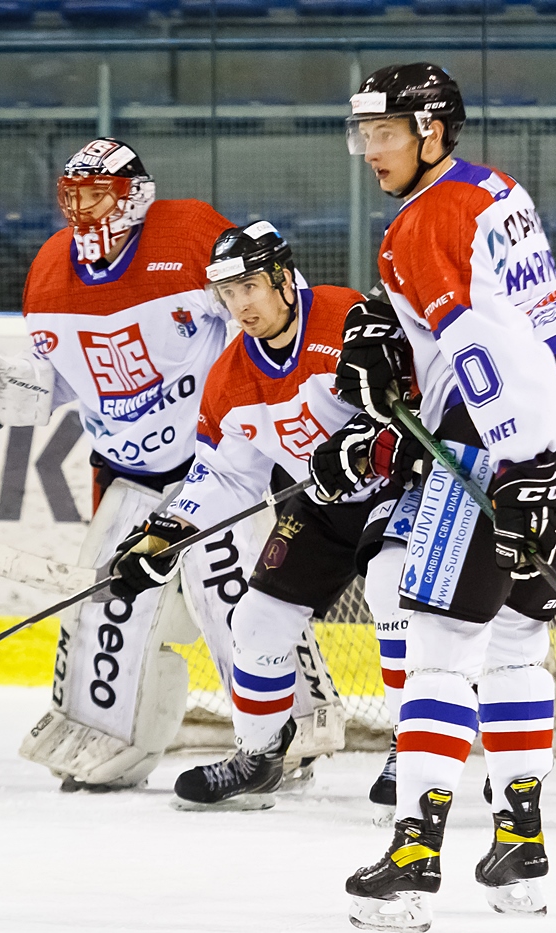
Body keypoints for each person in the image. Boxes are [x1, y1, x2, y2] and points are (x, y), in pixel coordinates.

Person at [0, 138, 344, 793]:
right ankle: (112, 741)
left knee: (233, 599)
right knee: (105, 608)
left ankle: (285, 734)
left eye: (100, 195)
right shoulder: (49, 272)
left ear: (136, 195)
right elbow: (58, 383)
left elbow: (265, 325)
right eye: (76, 196)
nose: (86, 210)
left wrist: (267, 425)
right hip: (130, 475)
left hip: (218, 465)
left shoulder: (190, 233)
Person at [332, 63, 556, 925]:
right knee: (514, 634)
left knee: (437, 639)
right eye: (365, 135)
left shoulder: (417, 226)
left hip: (512, 422)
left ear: (431, 131)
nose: (370, 152)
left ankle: (415, 855)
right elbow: (518, 317)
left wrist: (521, 460)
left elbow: (482, 349)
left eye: (385, 134)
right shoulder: (494, 187)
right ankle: (520, 849)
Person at [109, 221, 414, 809]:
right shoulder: (228, 380)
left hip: (397, 491)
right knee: (256, 620)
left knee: (390, 589)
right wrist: (165, 537)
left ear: (281, 277)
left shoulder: (344, 316)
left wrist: (367, 437)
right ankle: (260, 754)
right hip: (322, 506)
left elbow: (408, 393)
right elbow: (225, 475)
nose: (240, 304)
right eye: (227, 292)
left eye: (249, 285)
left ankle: (412, 745)